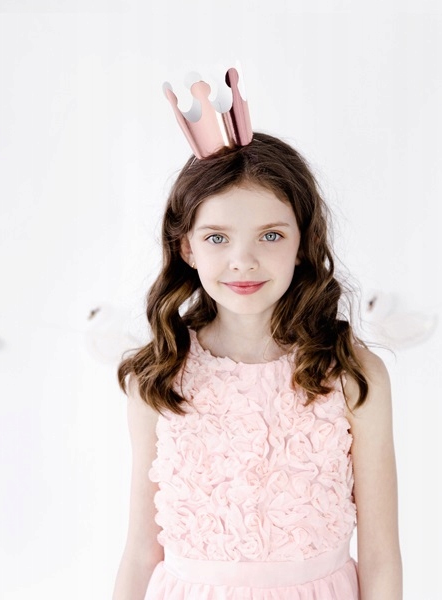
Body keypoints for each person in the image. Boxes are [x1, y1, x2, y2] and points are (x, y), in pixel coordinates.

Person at [112, 121, 402, 597]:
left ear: (303, 243)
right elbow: (143, 550)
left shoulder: (351, 373)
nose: (243, 260)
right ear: (186, 246)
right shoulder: (159, 376)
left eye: (270, 236)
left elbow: (380, 555)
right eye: (217, 237)